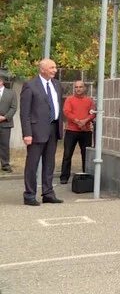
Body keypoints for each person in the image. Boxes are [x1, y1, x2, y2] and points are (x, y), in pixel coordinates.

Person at [20, 59, 63, 206]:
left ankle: (48, 193)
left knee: (49, 163)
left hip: (53, 128)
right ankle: (29, 195)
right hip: (36, 130)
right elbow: (24, 113)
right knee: (32, 164)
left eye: (55, 67)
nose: (55, 70)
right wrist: (27, 133)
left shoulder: (56, 84)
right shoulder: (30, 86)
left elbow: (57, 106)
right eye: (52, 67)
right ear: (42, 69)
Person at [60, 81, 95, 184]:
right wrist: (77, 121)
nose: (78, 89)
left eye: (80, 87)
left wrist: (84, 121)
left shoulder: (89, 100)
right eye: (76, 87)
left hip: (86, 131)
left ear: (84, 88)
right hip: (71, 131)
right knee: (67, 154)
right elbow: (67, 112)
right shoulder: (69, 99)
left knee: (86, 155)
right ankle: (64, 177)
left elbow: (93, 113)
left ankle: (86, 176)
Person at [0, 73, 16, 172]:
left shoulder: (11, 93)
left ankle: (5, 164)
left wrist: (5, 117)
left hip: (5, 124)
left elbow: (14, 107)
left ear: (1, 82)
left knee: (4, 145)